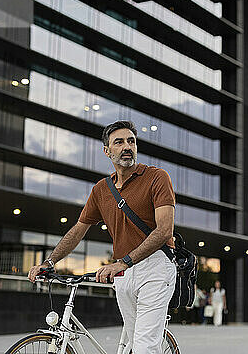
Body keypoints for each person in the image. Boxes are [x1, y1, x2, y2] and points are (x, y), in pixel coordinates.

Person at [28, 120, 177, 354]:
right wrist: (49, 262)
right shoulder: (101, 189)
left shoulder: (157, 177)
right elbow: (78, 229)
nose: (127, 146)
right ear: (107, 151)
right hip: (123, 274)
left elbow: (164, 230)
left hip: (156, 266)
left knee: (145, 346)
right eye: (119, 142)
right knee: (133, 339)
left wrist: (123, 261)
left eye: (131, 141)